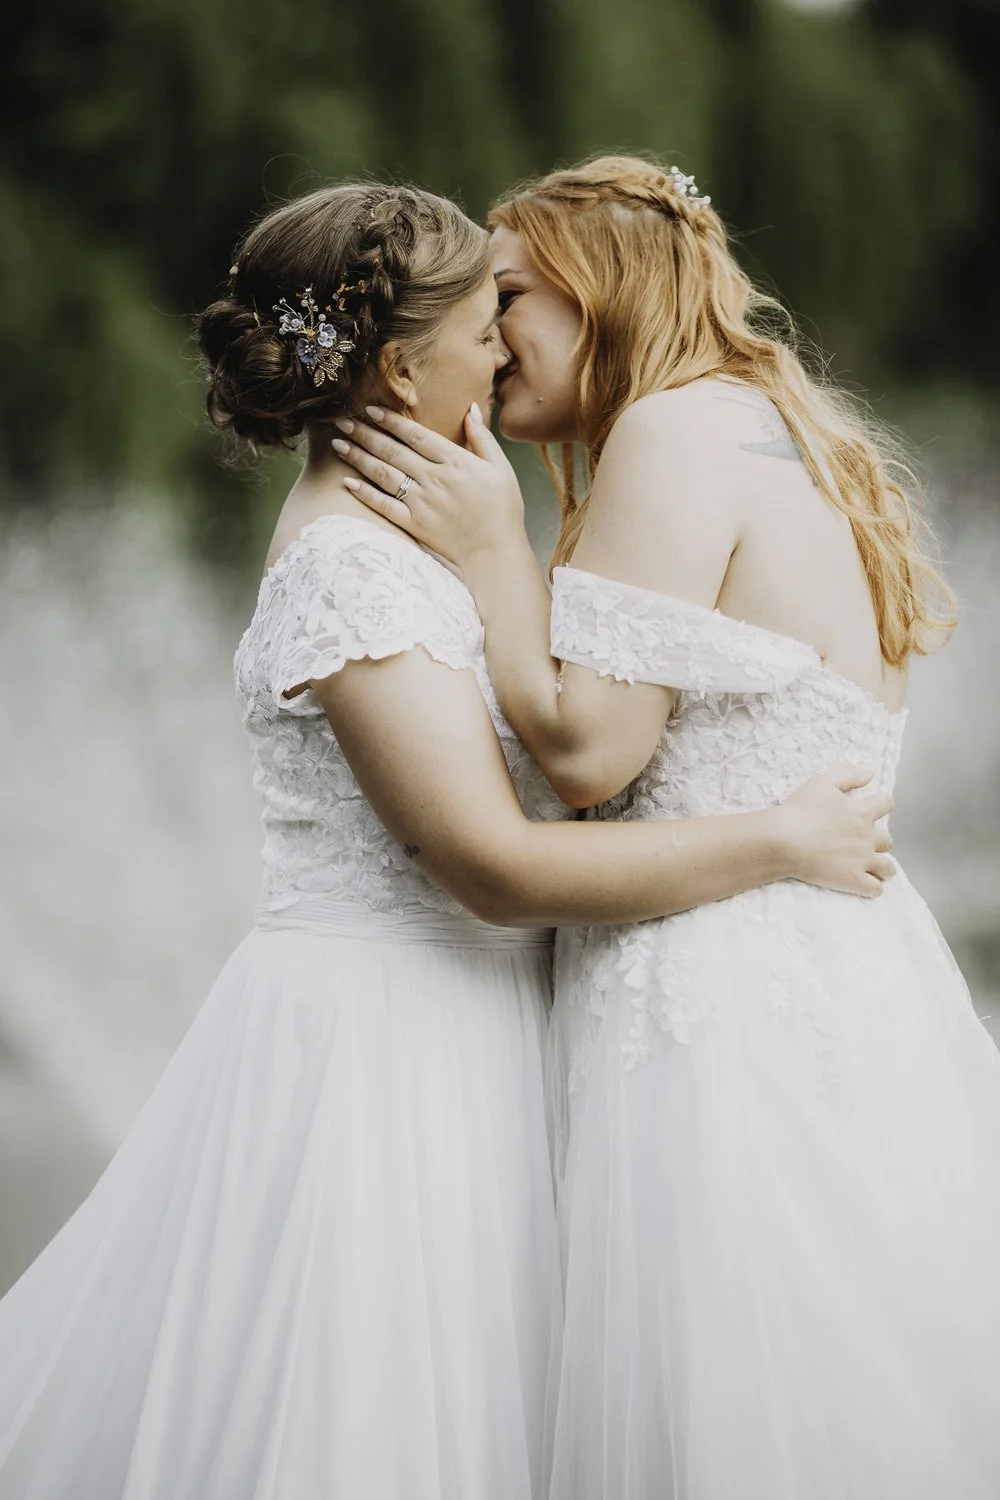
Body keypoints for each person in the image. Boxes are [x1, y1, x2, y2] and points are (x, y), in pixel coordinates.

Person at [0, 180, 891, 1500]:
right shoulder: (349, 570)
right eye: (486, 326)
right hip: (380, 1052)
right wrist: (773, 841)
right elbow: (492, 867)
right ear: (404, 370)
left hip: (462, 1029)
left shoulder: (405, 543)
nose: (503, 353)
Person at [338, 156, 1000, 1499]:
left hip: (717, 999)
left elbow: (590, 750)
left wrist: (493, 551)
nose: (487, 334)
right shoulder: (788, 426)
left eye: (510, 296)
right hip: (839, 973)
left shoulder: (669, 431)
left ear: (599, 292)